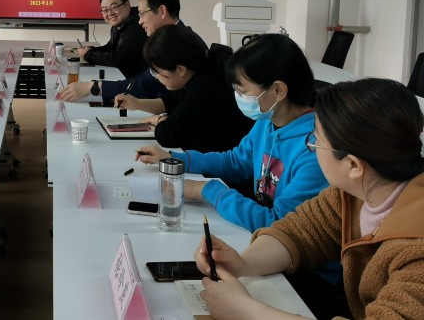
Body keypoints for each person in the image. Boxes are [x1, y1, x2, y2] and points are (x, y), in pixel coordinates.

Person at [194, 78, 424, 320]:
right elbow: (300, 233)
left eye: (316, 141)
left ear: (354, 166)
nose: (311, 147)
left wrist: (246, 311)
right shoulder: (353, 193)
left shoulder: (416, 247)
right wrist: (243, 263)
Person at [135, 34, 327, 233]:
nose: (238, 97)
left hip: (282, 243)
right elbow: (236, 162)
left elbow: (278, 223)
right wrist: (175, 160)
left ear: (278, 90)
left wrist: (208, 190)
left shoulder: (315, 150)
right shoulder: (268, 121)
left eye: (243, 91)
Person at [114, 25, 253, 151]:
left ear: (180, 69)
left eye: (158, 72)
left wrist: (159, 119)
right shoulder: (200, 71)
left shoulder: (205, 87)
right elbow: (170, 101)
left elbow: (167, 135)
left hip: (224, 161)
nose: (156, 77)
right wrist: (137, 103)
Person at [61, 0, 204, 105]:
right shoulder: (177, 36)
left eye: (142, 14)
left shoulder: (176, 44)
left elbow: (144, 84)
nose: (140, 21)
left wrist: (93, 87)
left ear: (162, 11)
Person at [75, 0, 146, 78]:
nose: (110, 13)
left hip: (136, 80)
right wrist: (91, 50)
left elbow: (118, 59)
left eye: (114, 7)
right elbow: (111, 47)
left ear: (127, 5)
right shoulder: (119, 24)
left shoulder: (135, 25)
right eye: (105, 10)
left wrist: (87, 55)